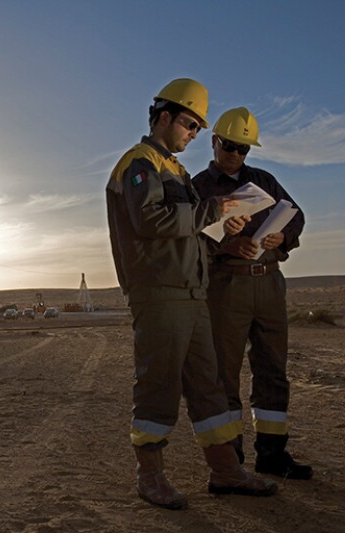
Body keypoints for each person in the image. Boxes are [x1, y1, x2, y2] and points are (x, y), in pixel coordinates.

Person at [106, 79, 277, 510]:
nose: (195, 133)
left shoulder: (177, 171)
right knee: (158, 384)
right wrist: (213, 210)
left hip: (192, 291)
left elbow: (188, 231)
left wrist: (222, 233)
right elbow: (151, 221)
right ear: (163, 116)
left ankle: (225, 470)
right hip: (160, 293)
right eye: (189, 123)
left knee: (209, 384)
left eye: (200, 127)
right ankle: (150, 477)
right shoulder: (140, 164)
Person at [192, 107, 313, 480]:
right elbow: (186, 241)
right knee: (224, 375)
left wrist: (283, 236)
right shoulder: (197, 188)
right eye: (230, 145)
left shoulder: (264, 180)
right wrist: (227, 247)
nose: (236, 154)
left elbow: (296, 216)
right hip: (227, 287)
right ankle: (231, 462)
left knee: (273, 370)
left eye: (244, 148)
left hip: (270, 283)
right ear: (214, 142)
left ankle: (273, 454)